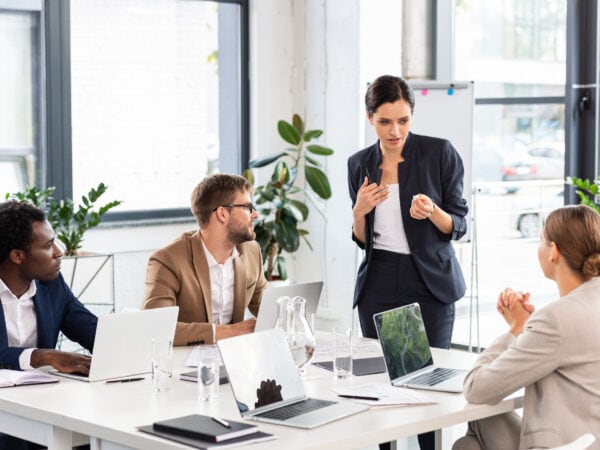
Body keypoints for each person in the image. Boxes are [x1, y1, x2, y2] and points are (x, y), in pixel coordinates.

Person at [347, 74, 468, 450]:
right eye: (385, 121)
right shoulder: (359, 163)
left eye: (403, 120)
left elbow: (459, 224)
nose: (395, 130)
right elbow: (363, 240)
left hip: (429, 282)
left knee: (425, 385)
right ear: (370, 118)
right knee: (383, 386)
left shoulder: (439, 152)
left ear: (412, 114)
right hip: (379, 281)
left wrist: (433, 211)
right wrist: (359, 212)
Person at [453, 204, 600, 450]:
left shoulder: (556, 319)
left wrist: (516, 327)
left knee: (478, 417)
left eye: (541, 240)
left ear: (554, 251)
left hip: (565, 445)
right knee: (467, 446)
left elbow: (477, 389)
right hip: (589, 440)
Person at [0, 200, 98, 450]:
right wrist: (41, 357)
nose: (59, 251)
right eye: (47, 245)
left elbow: (89, 329)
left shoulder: (51, 285)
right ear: (18, 255)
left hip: (43, 404)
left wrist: (127, 341)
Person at [142, 173, 267, 346]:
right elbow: (156, 328)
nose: (255, 215)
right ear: (222, 214)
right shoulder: (168, 260)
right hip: (185, 366)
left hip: (237, 361)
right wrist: (232, 331)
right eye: (247, 207)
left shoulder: (251, 252)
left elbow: (267, 308)